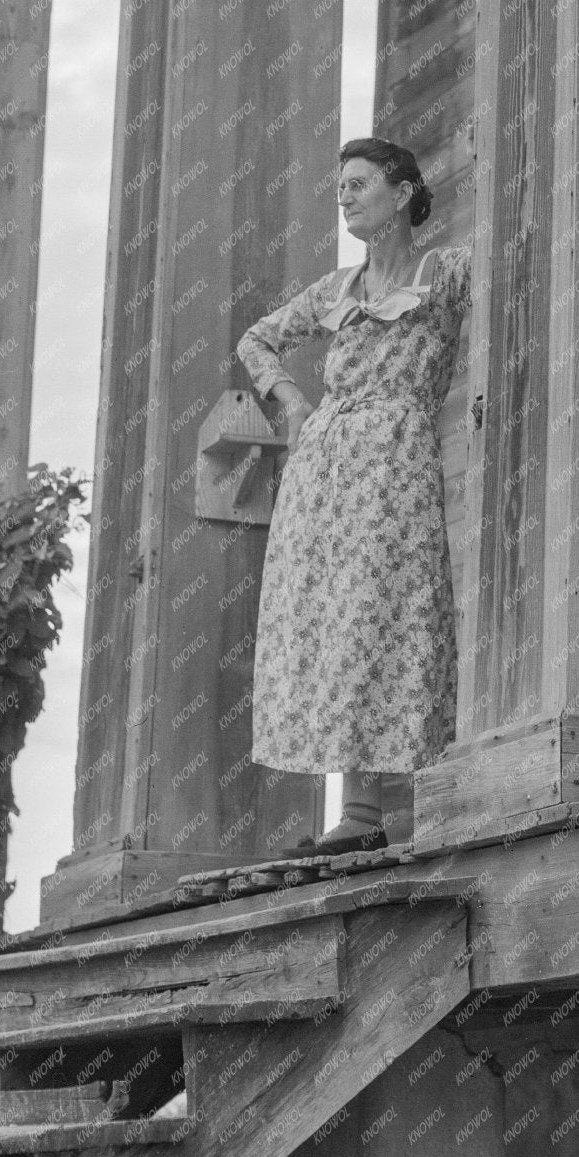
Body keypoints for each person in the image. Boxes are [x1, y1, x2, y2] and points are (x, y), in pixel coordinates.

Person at [235, 137, 471, 854]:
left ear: (402, 194)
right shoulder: (336, 289)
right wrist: (293, 404)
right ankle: (359, 815)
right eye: (338, 186)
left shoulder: (448, 270)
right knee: (334, 625)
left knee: (392, 615)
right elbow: (256, 341)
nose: (343, 196)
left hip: (394, 459)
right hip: (323, 470)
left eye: (358, 183)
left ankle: (434, 796)